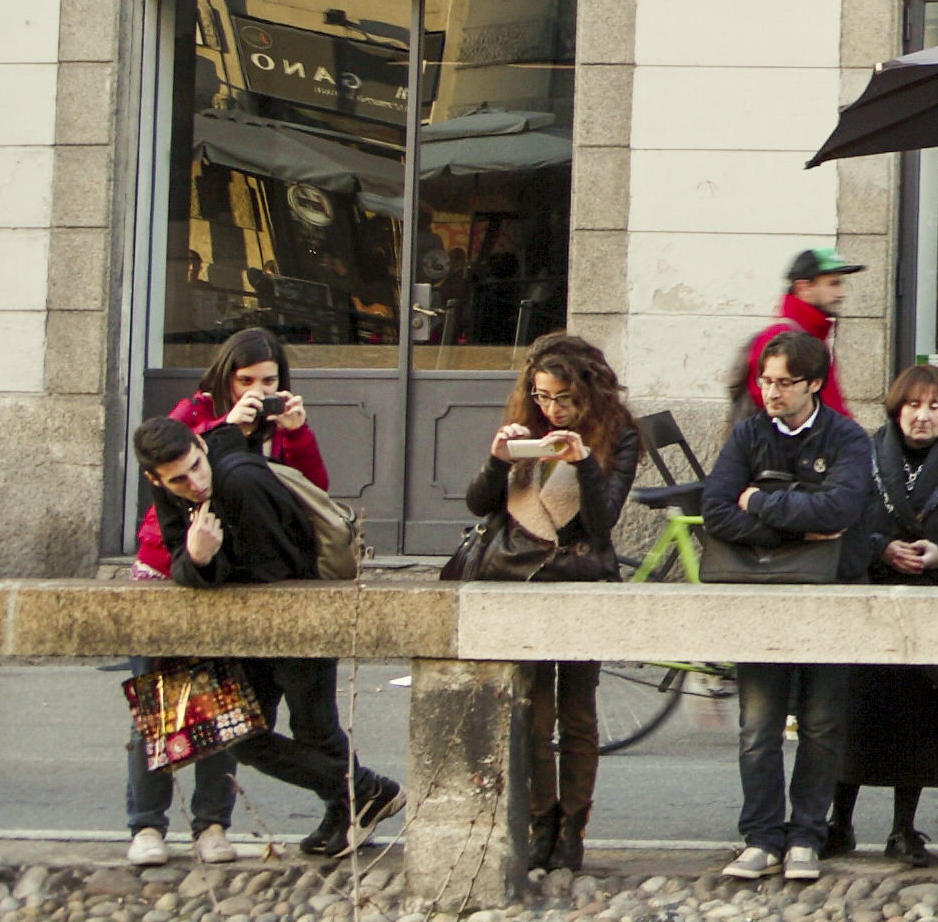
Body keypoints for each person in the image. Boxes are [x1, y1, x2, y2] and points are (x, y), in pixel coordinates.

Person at [123, 414, 397, 866]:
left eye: (195, 466)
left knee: (308, 730)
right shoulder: (171, 484)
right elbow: (179, 557)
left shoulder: (240, 479)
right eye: (177, 479)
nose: (194, 483)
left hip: (296, 615)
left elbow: (272, 571)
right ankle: (363, 793)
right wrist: (197, 558)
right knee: (240, 735)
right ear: (155, 478)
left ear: (200, 444)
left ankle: (353, 805)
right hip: (248, 628)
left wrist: (209, 563)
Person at [166, 332, 363, 827]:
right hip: (201, 583)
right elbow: (170, 520)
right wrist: (226, 428)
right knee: (180, 716)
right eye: (245, 380)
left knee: (295, 722)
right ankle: (148, 823)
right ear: (225, 377)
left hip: (282, 584)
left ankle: (217, 823)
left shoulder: (279, 425)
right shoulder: (193, 419)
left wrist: (295, 433)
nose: (256, 391)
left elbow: (311, 497)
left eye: (269, 381)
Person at [459, 332, 634, 874]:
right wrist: (497, 460)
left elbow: (604, 524)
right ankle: (542, 822)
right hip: (524, 580)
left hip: (582, 582)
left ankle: (573, 831)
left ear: (588, 393)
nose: (552, 410)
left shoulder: (620, 435)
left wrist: (582, 462)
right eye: (542, 397)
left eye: (563, 399)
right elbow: (480, 505)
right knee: (532, 711)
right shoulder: (527, 427)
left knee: (577, 713)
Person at [701, 327, 865, 885]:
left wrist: (762, 502)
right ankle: (762, 836)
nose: (772, 392)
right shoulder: (747, 434)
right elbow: (716, 509)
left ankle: (806, 835)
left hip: (831, 594)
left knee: (821, 723)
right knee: (759, 724)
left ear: (813, 384)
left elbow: (841, 508)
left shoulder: (846, 438)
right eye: (766, 381)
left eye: (785, 383)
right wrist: (790, 528)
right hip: (763, 594)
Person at [834, 356, 938, 862]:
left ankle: (904, 828)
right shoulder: (861, 455)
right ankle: (837, 823)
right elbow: (839, 524)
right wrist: (881, 548)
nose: (922, 416)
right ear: (896, 409)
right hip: (870, 604)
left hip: (935, 607)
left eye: (933, 406)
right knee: (852, 717)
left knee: (920, 721)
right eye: (912, 405)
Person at [738, 246, 857, 424]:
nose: (841, 294)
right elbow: (772, 408)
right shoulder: (781, 337)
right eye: (833, 283)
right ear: (804, 288)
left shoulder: (813, 333)